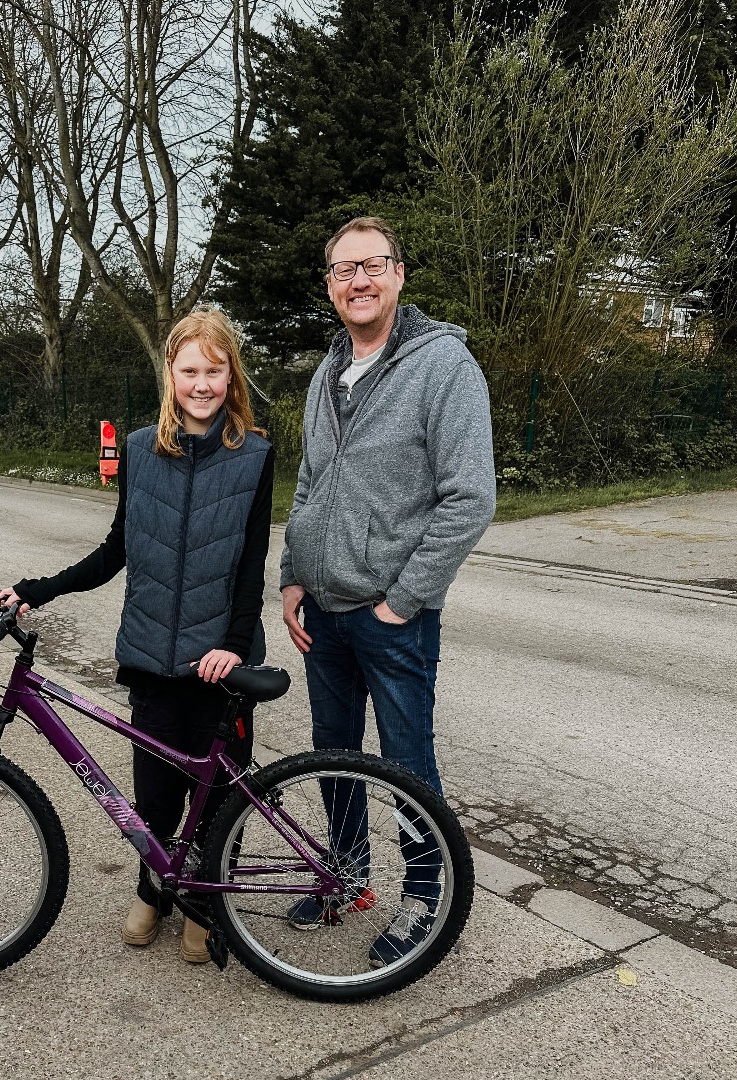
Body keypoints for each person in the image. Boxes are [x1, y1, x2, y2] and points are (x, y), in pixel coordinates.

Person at [0, 306, 274, 965]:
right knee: (153, 798)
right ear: (169, 374)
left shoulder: (255, 454)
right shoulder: (141, 450)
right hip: (151, 658)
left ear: (230, 374)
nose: (202, 383)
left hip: (220, 665)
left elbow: (252, 563)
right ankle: (154, 888)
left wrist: (232, 644)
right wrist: (38, 588)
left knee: (218, 798)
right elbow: (115, 550)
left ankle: (205, 905)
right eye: (189, 370)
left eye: (214, 370)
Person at [279, 216, 495, 966]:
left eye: (372, 266)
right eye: (343, 271)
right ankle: (345, 878)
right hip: (325, 613)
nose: (358, 282)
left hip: (392, 617)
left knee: (406, 765)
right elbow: (309, 484)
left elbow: (470, 497)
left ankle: (426, 898)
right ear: (331, 286)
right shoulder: (328, 368)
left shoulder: (443, 367)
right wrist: (293, 576)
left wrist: (403, 600)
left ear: (400, 274)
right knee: (332, 754)